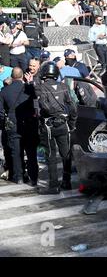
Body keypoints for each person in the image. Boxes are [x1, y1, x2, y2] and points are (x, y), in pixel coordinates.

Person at [33, 61, 77, 194]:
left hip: (49, 126)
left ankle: (53, 185)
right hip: (63, 124)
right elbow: (73, 107)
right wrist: (71, 123)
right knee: (66, 154)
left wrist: (53, 114)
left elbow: (44, 106)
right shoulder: (64, 86)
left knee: (51, 156)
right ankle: (67, 181)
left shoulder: (40, 87)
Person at [0, 67, 39, 185]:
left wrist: (4, 123)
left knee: (16, 152)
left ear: (12, 76)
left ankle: (19, 177)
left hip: (13, 122)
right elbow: (36, 102)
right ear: (22, 76)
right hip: (29, 122)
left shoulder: (4, 91)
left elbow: (1, 111)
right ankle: (33, 177)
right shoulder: (28, 88)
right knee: (31, 152)